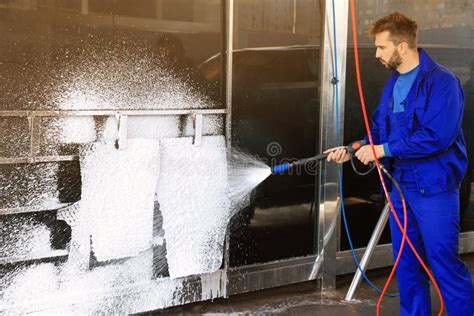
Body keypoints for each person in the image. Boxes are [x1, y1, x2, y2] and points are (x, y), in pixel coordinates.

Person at [326, 12, 474, 315]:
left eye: (382, 47)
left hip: (434, 189)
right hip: (401, 187)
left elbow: (437, 137)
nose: (377, 54)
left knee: (443, 263)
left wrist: (382, 149)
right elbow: (380, 129)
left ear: (402, 46)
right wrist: (355, 147)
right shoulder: (394, 82)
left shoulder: (443, 82)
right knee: (407, 266)